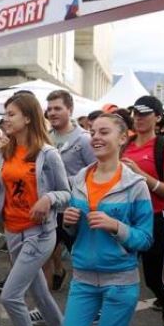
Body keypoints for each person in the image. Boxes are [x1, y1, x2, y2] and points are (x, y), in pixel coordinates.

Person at [59, 113, 154, 326]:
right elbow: (73, 230)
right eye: (92, 131)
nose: (96, 137)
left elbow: (146, 238)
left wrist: (118, 227)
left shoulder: (135, 185)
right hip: (83, 278)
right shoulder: (79, 179)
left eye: (104, 132)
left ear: (122, 138)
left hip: (120, 282)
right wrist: (69, 222)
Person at [0, 91, 70, 326]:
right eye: (5, 114)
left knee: (10, 295)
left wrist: (48, 198)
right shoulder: (4, 151)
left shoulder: (48, 154)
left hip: (40, 233)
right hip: (13, 232)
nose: (6, 119)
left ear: (28, 117)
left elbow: (67, 195)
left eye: (11, 114)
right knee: (41, 294)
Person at [121, 95, 164, 326]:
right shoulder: (125, 145)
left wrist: (140, 174)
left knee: (154, 280)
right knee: (120, 280)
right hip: (127, 221)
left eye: (145, 113)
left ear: (157, 117)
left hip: (156, 220)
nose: (139, 117)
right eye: (136, 112)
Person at [46, 89, 96, 291]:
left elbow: (96, 172)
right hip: (51, 207)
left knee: (81, 255)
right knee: (45, 252)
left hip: (75, 209)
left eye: (58, 108)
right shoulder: (46, 137)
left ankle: (89, 295)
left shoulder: (83, 139)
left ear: (70, 109)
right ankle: (45, 303)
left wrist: (64, 182)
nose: (52, 113)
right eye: (49, 109)